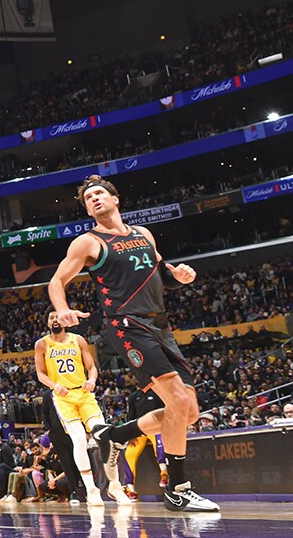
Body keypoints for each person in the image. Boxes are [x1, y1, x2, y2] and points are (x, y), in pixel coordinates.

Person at [49, 176, 218, 513]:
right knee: (177, 398)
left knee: (189, 411)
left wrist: (178, 278)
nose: (94, 199)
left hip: (160, 325)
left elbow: (160, 274)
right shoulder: (88, 242)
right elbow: (57, 280)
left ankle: (115, 435)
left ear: (115, 199)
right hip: (127, 325)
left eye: (99, 194)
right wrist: (62, 309)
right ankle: (179, 489)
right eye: (88, 199)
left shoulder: (143, 234)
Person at [34, 313, 122, 504]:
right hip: (63, 397)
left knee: (102, 434)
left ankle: (115, 484)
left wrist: (92, 380)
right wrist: (54, 385)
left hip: (83, 393)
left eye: (58, 317)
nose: (54, 320)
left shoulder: (78, 340)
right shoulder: (42, 344)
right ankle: (91, 489)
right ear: (47, 323)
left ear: (65, 321)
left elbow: (92, 367)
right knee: (79, 438)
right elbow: (40, 373)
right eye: (50, 318)